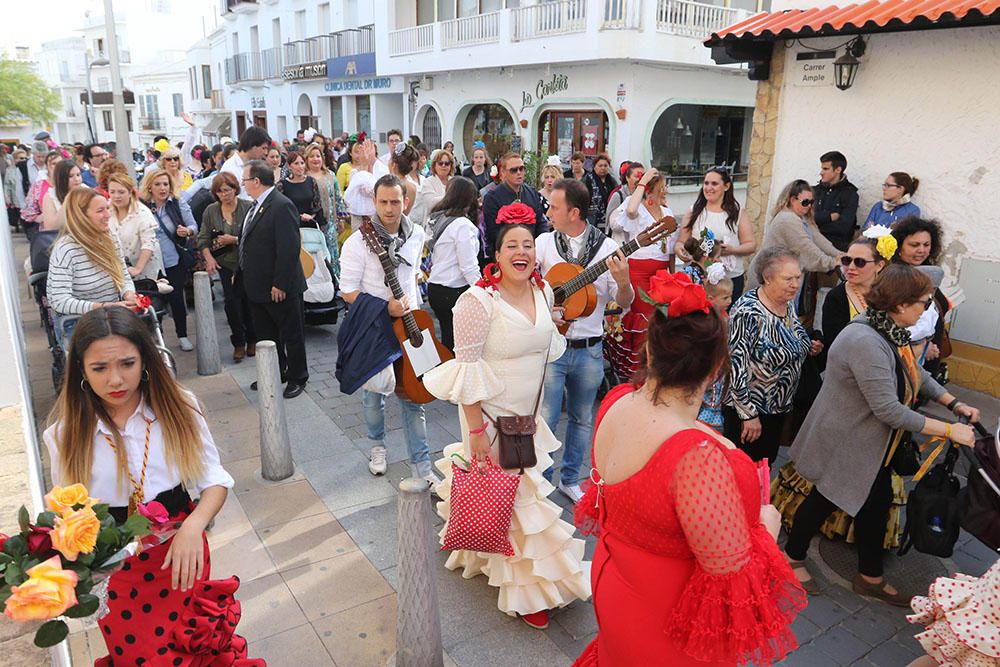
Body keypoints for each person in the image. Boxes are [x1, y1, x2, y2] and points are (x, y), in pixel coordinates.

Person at [573, 270, 805, 665]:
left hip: (616, 586)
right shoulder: (696, 457)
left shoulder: (617, 401)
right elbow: (732, 574)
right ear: (716, 369)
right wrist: (768, 523)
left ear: (649, 352)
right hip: (667, 620)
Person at [43, 307, 264, 666]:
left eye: (127, 364)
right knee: (141, 657)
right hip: (114, 573)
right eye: (100, 368)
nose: (115, 379)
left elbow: (215, 480)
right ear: (80, 370)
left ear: (145, 360)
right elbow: (64, 514)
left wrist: (194, 525)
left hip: (180, 556)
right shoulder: (64, 435)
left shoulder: (179, 407)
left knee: (192, 650)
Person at [424, 213, 591, 632]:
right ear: (495, 255)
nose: (522, 252)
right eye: (512, 245)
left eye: (528, 245)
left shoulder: (543, 289)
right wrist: (477, 432)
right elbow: (465, 375)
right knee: (519, 502)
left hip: (527, 419)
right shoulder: (476, 303)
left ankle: (484, 555)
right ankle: (527, 592)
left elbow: (545, 346)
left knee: (502, 499)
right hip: (492, 419)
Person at [784, 264, 980, 603]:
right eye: (924, 302)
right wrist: (951, 430)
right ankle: (791, 557)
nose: (927, 309)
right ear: (901, 304)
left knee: (874, 504)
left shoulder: (887, 329)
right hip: (846, 440)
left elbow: (913, 372)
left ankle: (869, 576)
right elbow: (889, 410)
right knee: (824, 500)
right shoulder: (866, 339)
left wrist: (954, 403)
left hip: (868, 443)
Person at [536, 179, 632, 503]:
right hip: (552, 347)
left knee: (581, 418)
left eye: (554, 207)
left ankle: (570, 479)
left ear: (574, 212)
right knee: (546, 419)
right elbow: (530, 289)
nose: (548, 211)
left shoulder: (606, 250)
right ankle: (542, 482)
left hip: (589, 347)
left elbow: (625, 301)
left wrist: (623, 282)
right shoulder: (543, 243)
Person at [339, 175, 439, 486]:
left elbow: (412, 277)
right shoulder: (358, 241)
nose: (389, 208)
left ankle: (422, 465)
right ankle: (377, 447)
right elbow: (347, 291)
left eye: (395, 201)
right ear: (374, 202)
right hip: (375, 326)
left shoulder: (417, 234)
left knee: (414, 397)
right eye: (383, 201)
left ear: (405, 202)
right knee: (374, 395)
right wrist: (385, 308)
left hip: (410, 325)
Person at [725, 246, 820, 465]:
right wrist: (748, 415)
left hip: (778, 408)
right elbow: (736, 365)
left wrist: (808, 345)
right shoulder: (747, 311)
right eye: (788, 278)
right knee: (744, 470)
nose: (795, 284)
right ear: (767, 278)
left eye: (798, 277)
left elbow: (792, 336)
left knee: (764, 468)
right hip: (750, 412)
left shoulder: (786, 304)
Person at [237, 160, 308, 398]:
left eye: (245, 179)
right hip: (257, 285)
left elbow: (289, 248)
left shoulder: (281, 205)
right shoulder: (254, 206)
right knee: (267, 335)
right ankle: (276, 371)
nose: (242, 184)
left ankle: (298, 376)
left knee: (291, 333)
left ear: (256, 181)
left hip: (280, 286)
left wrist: (280, 282)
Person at [47, 188, 136, 348]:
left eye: (107, 208)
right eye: (100, 211)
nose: (108, 215)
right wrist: (100, 307)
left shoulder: (111, 238)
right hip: (77, 321)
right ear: (82, 216)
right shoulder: (66, 249)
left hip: (112, 316)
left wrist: (129, 295)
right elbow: (59, 301)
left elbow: (123, 275)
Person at [613, 167, 675, 376]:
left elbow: (672, 250)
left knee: (660, 318)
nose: (665, 190)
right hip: (638, 271)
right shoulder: (635, 207)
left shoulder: (667, 212)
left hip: (661, 271)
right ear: (651, 190)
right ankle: (638, 369)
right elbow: (630, 212)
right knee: (643, 318)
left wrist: (672, 275)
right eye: (661, 187)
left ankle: (656, 365)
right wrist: (643, 180)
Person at [198, 172, 255, 363]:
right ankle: (238, 342)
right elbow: (203, 239)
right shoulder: (211, 211)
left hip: (246, 262)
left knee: (249, 301)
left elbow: (255, 237)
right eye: (220, 192)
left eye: (228, 190)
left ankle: (252, 339)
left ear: (235, 189)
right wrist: (209, 259)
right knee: (232, 304)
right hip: (225, 263)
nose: (224, 195)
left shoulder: (247, 207)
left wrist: (235, 239)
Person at [675, 167, 757, 300]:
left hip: (729, 279)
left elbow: (751, 245)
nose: (709, 187)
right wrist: (680, 252)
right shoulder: (694, 211)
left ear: (726, 186)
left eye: (714, 183)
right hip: (699, 277)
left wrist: (732, 250)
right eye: (706, 183)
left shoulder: (738, 212)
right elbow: (681, 242)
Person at [140, 168, 198, 352]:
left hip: (173, 260)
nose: (162, 188)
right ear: (150, 186)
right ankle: (157, 340)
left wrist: (187, 231)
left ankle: (182, 335)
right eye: (157, 184)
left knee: (176, 298)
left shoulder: (177, 203)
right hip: (149, 263)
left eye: (165, 184)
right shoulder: (141, 206)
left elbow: (193, 226)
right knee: (151, 301)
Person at [426, 176, 481, 351]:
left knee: (448, 339)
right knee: (459, 345)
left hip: (436, 286)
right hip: (454, 289)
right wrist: (483, 290)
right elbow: (468, 266)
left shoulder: (437, 218)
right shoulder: (462, 225)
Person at [891, 217, 951, 380]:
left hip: (927, 363)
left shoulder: (928, 274)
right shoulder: (894, 279)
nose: (922, 250)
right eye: (914, 245)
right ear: (899, 247)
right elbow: (893, 325)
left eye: (926, 245)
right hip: (906, 365)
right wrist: (922, 345)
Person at [482, 153, 548, 257]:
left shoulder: (532, 193)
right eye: (514, 170)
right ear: (503, 172)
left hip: (531, 250)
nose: (519, 173)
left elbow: (540, 222)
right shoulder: (492, 197)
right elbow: (492, 231)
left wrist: (541, 244)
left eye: (522, 169)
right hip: (505, 252)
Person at [107, 173, 163, 284]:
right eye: (112, 192)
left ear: (130, 192)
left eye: (121, 192)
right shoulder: (107, 210)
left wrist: (138, 268)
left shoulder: (142, 213)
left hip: (143, 272)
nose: (116, 196)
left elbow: (148, 243)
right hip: (117, 272)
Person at [303, 142, 346, 274]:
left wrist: (342, 219)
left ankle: (335, 282)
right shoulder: (304, 178)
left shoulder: (330, 175)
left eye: (318, 156)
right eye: (312, 156)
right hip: (312, 223)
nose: (316, 159)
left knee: (332, 252)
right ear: (306, 159)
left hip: (331, 222)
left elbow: (338, 198)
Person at [812, 150, 859, 251]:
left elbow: (844, 227)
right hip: (811, 244)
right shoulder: (815, 191)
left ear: (838, 169)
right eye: (822, 168)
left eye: (825, 169)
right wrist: (829, 217)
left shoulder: (850, 194)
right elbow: (805, 218)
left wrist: (815, 225)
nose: (821, 173)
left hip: (835, 248)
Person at [219, 126, 272, 199]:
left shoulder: (258, 165)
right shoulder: (229, 168)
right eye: (263, 148)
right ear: (252, 145)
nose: (266, 152)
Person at [277, 151, 325, 229]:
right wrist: (299, 217)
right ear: (289, 166)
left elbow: (317, 205)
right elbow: (280, 209)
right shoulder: (282, 185)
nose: (300, 166)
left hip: (310, 225)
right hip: (290, 226)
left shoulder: (311, 181)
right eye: (296, 163)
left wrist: (311, 216)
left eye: (302, 163)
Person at [412, 148, 454, 228]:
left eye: (447, 163)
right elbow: (431, 203)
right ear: (434, 165)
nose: (443, 166)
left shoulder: (454, 181)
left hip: (452, 224)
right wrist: (452, 197)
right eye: (440, 163)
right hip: (433, 225)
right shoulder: (428, 182)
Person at [605, 162, 643, 245]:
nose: (640, 179)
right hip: (622, 242)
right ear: (627, 178)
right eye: (636, 176)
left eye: (643, 176)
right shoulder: (618, 195)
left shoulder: (645, 197)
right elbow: (610, 224)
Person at [42, 158, 84, 232]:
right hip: (62, 237)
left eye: (78, 175)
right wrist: (68, 199)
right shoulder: (50, 196)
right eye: (71, 176)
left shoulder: (86, 190)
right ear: (61, 178)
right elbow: (50, 227)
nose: (76, 179)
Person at [582, 153, 617, 233]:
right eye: (600, 166)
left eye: (605, 166)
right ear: (594, 167)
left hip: (608, 218)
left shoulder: (612, 181)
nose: (603, 168)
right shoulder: (588, 179)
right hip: (592, 218)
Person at [4, 148, 27, 232]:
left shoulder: (27, 168)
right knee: (22, 218)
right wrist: (8, 198)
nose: (23, 160)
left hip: (28, 199)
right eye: (21, 158)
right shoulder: (9, 170)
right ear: (14, 159)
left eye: (25, 158)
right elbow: (7, 185)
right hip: (16, 200)